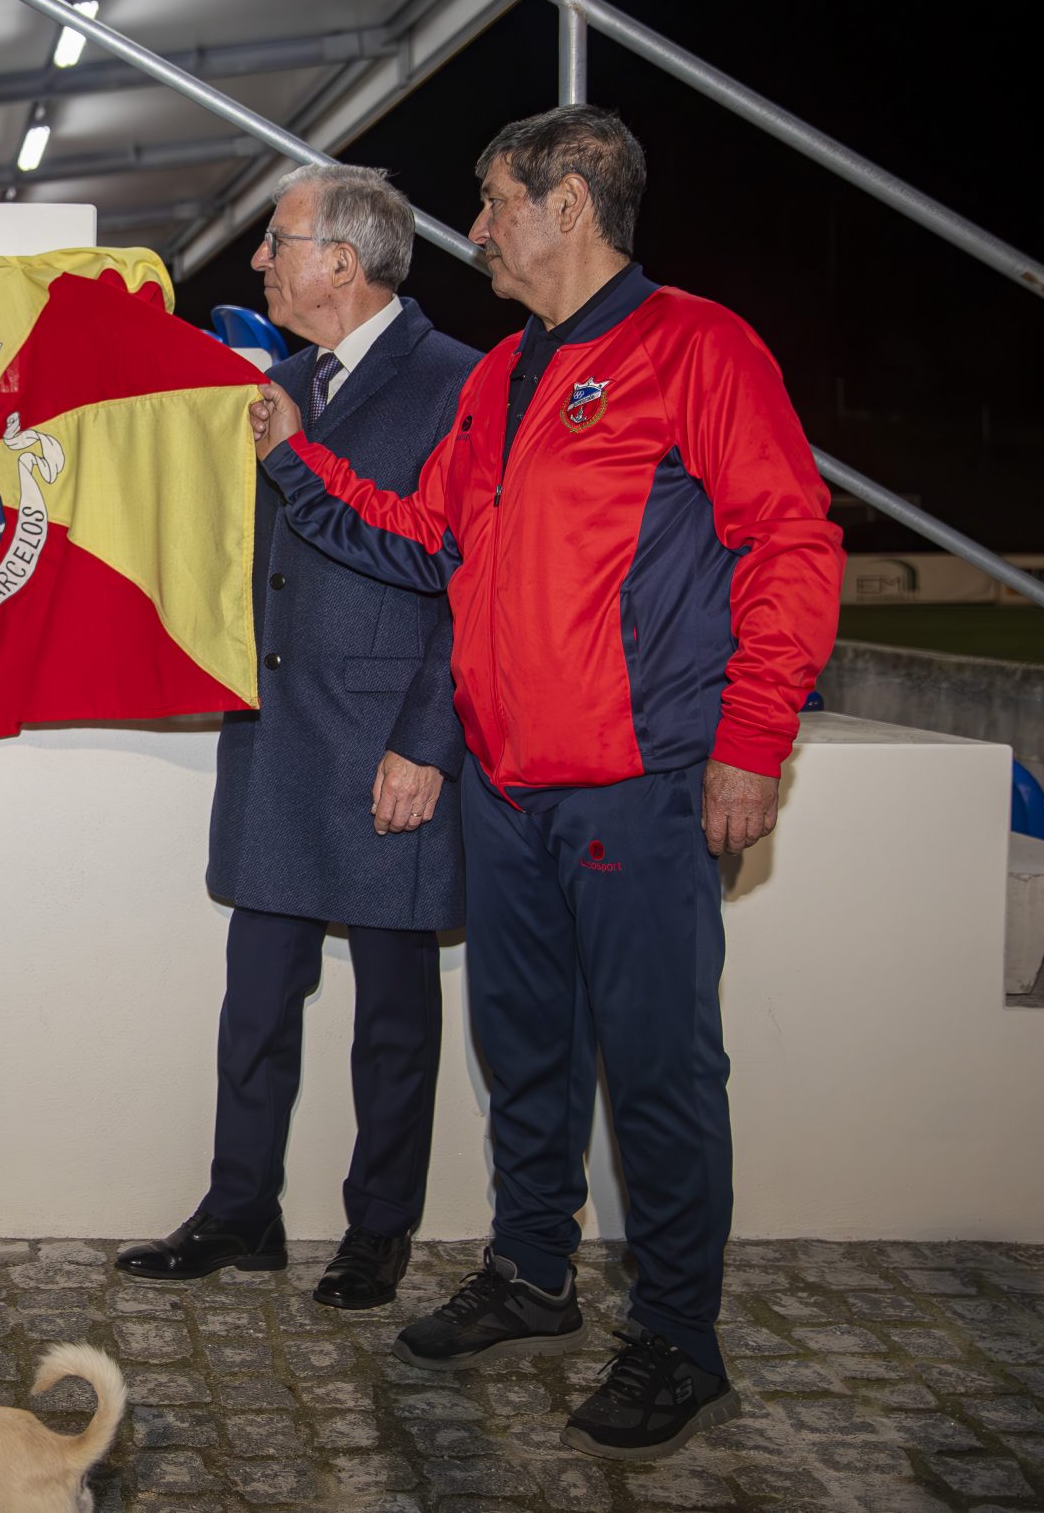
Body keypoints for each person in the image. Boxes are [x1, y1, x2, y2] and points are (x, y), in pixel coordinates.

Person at [249, 107, 842, 1461]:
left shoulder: (699, 346)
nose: (479, 228)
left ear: (568, 205)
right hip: (507, 791)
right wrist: (296, 453)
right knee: (524, 1050)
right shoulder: (504, 374)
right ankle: (534, 1273)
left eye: (495, 201)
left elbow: (792, 542)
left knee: (662, 1069)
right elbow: (427, 541)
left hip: (640, 785)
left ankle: (681, 1339)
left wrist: (755, 738)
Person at [116, 165, 474, 1315]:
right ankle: (240, 1211)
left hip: (388, 748)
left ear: (342, 261)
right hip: (273, 741)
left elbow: (461, 577)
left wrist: (426, 739)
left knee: (392, 1019)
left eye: (277, 242)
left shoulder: (457, 385)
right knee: (255, 1000)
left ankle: (377, 1231)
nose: (258, 261)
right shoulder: (272, 382)